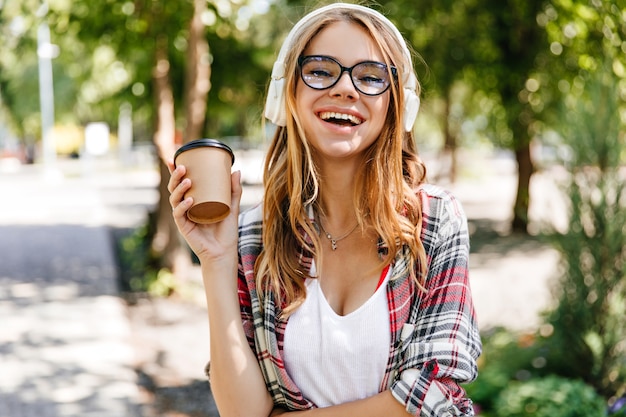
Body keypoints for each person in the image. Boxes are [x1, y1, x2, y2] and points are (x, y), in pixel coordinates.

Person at [168, 2, 482, 416]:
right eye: (320, 70)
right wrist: (216, 260)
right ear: (289, 95)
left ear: (397, 105)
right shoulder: (252, 237)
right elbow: (242, 411)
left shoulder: (434, 220)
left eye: (370, 77)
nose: (346, 89)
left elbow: (433, 395)